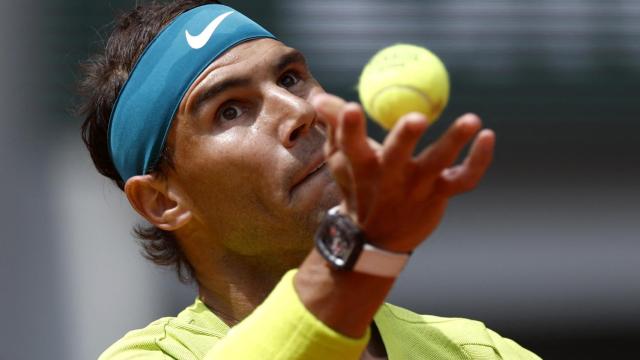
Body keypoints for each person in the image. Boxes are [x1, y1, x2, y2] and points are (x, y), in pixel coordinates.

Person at [78, 1, 540, 359]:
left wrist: (368, 255)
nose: (298, 111)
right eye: (230, 110)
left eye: (292, 78)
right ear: (162, 200)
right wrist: (365, 249)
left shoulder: (476, 351)